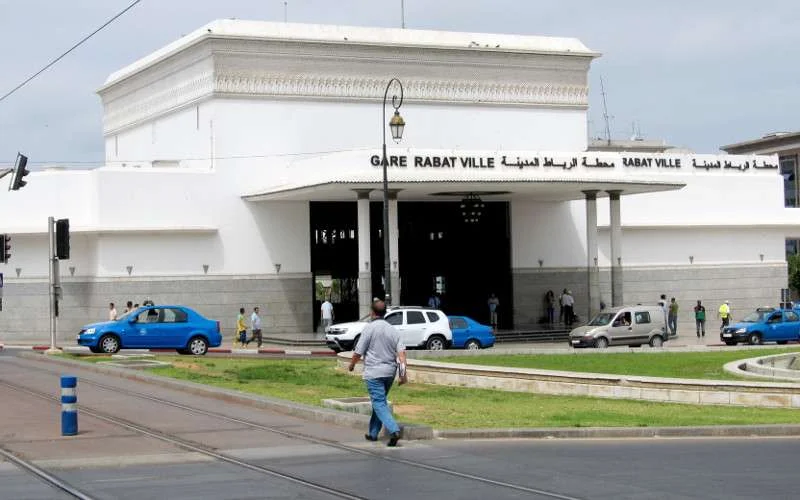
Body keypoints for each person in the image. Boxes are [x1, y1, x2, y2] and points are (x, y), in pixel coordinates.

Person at [348, 300, 407, 447]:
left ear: (372, 313)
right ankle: (373, 433)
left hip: (374, 372)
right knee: (379, 401)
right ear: (385, 313)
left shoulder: (369, 328)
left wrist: (352, 365)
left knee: (379, 402)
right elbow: (402, 355)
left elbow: (358, 351)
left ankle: (394, 430)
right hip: (389, 372)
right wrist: (402, 374)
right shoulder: (393, 330)